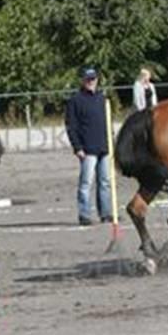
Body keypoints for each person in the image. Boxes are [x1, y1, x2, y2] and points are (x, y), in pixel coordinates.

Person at [64, 66, 112, 226]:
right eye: (88, 79)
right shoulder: (75, 101)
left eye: (93, 79)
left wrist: (110, 141)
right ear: (82, 80)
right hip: (87, 149)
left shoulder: (102, 98)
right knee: (86, 183)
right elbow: (71, 126)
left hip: (104, 147)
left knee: (105, 182)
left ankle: (105, 213)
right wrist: (77, 148)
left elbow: (107, 122)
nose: (91, 82)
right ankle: (84, 214)